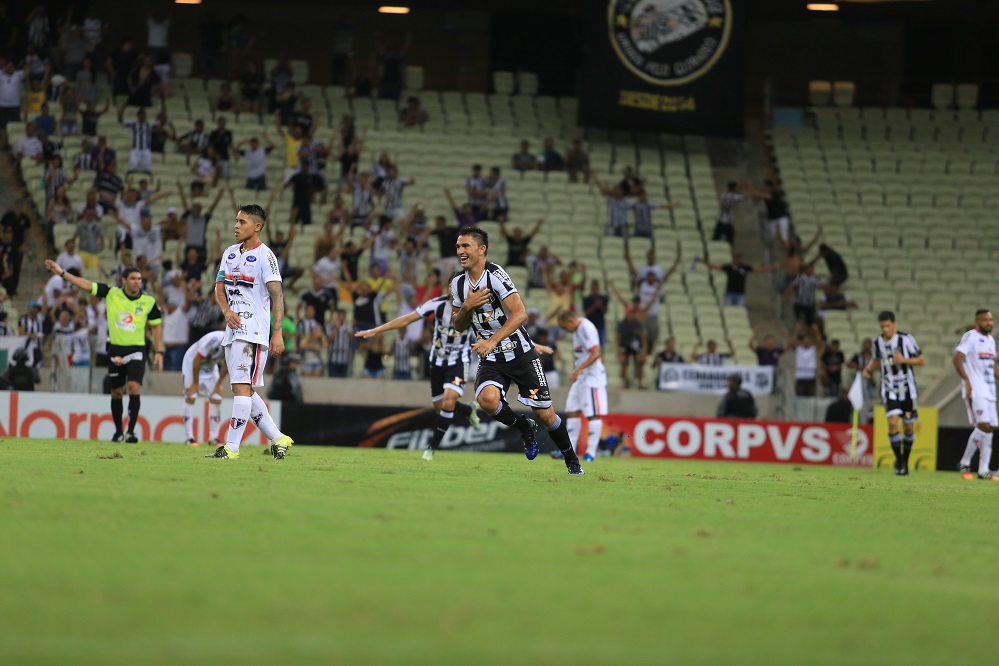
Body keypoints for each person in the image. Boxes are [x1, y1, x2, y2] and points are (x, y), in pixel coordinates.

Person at [450, 227, 584, 474]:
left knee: (545, 414)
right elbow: (457, 324)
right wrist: (467, 306)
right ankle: (524, 428)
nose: (460, 251)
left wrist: (492, 340)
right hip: (492, 358)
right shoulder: (458, 284)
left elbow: (520, 313)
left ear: (482, 250)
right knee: (487, 400)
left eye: (466, 246)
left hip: (520, 353)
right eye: (458, 246)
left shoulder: (496, 275)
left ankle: (572, 461)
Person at [356, 286, 484, 460]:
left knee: (448, 401)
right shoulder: (436, 304)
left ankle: (430, 448)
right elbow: (406, 320)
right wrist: (377, 330)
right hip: (437, 362)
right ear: (449, 288)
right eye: (453, 287)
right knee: (441, 408)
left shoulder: (471, 308)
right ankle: (468, 410)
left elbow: (491, 327)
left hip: (459, 361)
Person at [208, 203, 294, 460]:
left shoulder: (266, 256)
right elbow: (219, 287)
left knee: (241, 388)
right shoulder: (230, 253)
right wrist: (226, 311)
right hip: (232, 330)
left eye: (242, 222)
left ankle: (232, 448)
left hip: (254, 331)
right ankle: (279, 438)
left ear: (257, 227)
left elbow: (277, 295)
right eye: (236, 221)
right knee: (241, 389)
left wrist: (276, 332)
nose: (236, 225)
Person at [44, 260, 163, 443]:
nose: (137, 282)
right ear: (124, 280)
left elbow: (156, 327)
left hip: (137, 350)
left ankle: (131, 432)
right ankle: (118, 432)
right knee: (116, 391)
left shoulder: (149, 301)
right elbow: (85, 284)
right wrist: (61, 273)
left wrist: (160, 351)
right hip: (115, 349)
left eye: (139, 279)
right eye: (133, 279)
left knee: (133, 387)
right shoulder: (111, 293)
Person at [862, 311, 925, 476]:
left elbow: (921, 360)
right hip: (889, 389)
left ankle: (905, 460)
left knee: (909, 427)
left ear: (894, 324)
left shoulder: (906, 339)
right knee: (892, 423)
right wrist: (868, 369)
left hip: (907, 390)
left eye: (888, 326)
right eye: (882, 326)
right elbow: (877, 360)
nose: (885, 329)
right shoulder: (877, 342)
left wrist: (905, 360)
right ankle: (900, 462)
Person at [557, 309, 607, 463]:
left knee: (592, 414)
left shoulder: (586, 328)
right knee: (572, 411)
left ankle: (591, 453)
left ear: (571, 320)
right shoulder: (578, 330)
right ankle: (568, 451)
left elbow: (596, 352)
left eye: (565, 327)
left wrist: (579, 369)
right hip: (581, 378)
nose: (566, 330)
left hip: (591, 378)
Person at [954, 309, 999, 481]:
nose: (989, 323)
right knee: (983, 426)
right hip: (976, 388)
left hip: (989, 390)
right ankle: (965, 463)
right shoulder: (971, 336)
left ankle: (983, 470)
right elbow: (957, 358)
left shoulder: (990, 340)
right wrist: (966, 380)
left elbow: (992, 364)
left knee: (989, 429)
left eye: (991, 320)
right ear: (977, 321)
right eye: (985, 320)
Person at [181, 330, 228, 447]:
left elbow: (227, 365)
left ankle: (214, 438)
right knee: (190, 396)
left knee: (216, 398)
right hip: (192, 363)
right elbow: (197, 359)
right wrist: (195, 384)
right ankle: (189, 438)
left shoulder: (235, 344)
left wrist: (218, 385)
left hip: (210, 367)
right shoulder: (213, 340)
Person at [701, 253, 780, 307]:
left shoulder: (744, 267)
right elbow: (715, 267)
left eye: (739, 258)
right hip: (729, 293)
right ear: (733, 259)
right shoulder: (729, 267)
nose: (737, 260)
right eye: (736, 258)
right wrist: (705, 262)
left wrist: (772, 268)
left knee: (739, 312)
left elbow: (758, 270)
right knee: (728, 311)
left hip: (740, 294)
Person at [793, 332, 822, 397]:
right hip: (800, 376)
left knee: (810, 396)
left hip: (811, 376)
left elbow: (819, 345)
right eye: (805, 341)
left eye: (808, 341)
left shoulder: (813, 350)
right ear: (802, 341)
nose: (807, 342)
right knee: (800, 396)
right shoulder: (799, 350)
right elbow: (793, 344)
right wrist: (797, 332)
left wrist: (816, 334)